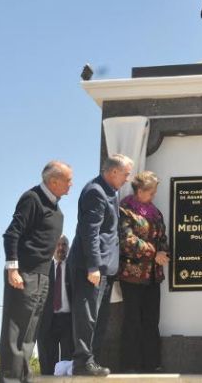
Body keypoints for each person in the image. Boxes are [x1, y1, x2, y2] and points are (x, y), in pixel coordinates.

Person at [0, 160, 73, 383]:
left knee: (30, 335)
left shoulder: (57, 210)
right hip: (24, 274)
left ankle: (23, 378)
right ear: (54, 181)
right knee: (15, 333)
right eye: (68, 180)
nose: (71, 184)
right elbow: (12, 233)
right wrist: (13, 269)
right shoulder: (32, 199)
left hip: (44, 276)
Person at [68, 154, 133, 376]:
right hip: (91, 268)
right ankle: (82, 362)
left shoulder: (110, 191)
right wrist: (93, 266)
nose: (127, 179)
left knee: (99, 318)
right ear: (113, 172)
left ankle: (91, 361)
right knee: (87, 316)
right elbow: (91, 232)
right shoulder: (95, 191)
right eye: (125, 174)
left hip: (106, 268)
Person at [117, 171, 171, 373]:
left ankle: (152, 364)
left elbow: (162, 237)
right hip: (132, 275)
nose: (154, 195)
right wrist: (154, 253)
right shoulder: (125, 209)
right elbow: (127, 240)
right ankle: (130, 366)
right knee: (133, 320)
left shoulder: (155, 212)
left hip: (153, 276)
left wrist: (163, 252)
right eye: (151, 192)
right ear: (140, 190)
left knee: (151, 320)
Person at [37, 235, 74, 375]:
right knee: (47, 364)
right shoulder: (43, 268)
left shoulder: (73, 267)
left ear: (68, 248)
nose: (60, 248)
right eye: (57, 244)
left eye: (64, 244)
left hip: (68, 321)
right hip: (47, 321)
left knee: (67, 365)